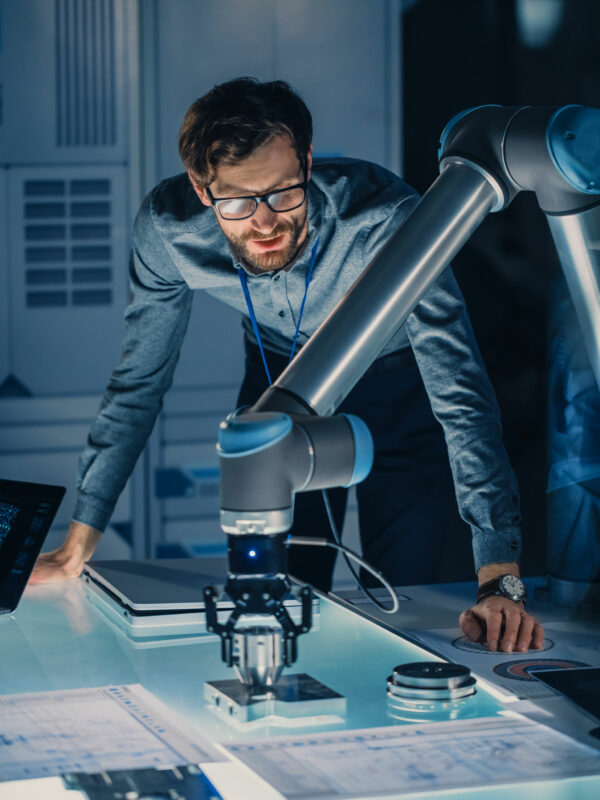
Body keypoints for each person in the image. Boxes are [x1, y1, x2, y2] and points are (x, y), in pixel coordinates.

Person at [31, 77, 544, 654]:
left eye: (283, 192)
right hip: (278, 387)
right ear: (203, 190)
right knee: (275, 598)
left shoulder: (385, 215)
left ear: (304, 159)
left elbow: (460, 391)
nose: (267, 222)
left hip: (401, 389)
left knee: (409, 600)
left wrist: (501, 579)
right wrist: (79, 538)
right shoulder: (168, 231)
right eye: (239, 203)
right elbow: (138, 381)